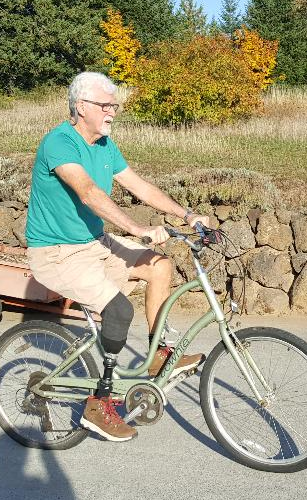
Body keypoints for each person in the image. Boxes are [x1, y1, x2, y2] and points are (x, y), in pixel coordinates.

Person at [25, 71, 210, 442]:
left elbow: (139, 186)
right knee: (119, 310)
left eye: (115, 104)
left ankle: (158, 355)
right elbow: (88, 192)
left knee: (159, 266)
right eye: (105, 104)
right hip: (57, 253)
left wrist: (187, 216)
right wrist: (136, 229)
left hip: (93, 242)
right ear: (81, 107)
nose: (113, 111)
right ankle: (98, 404)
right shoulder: (59, 142)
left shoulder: (105, 145)